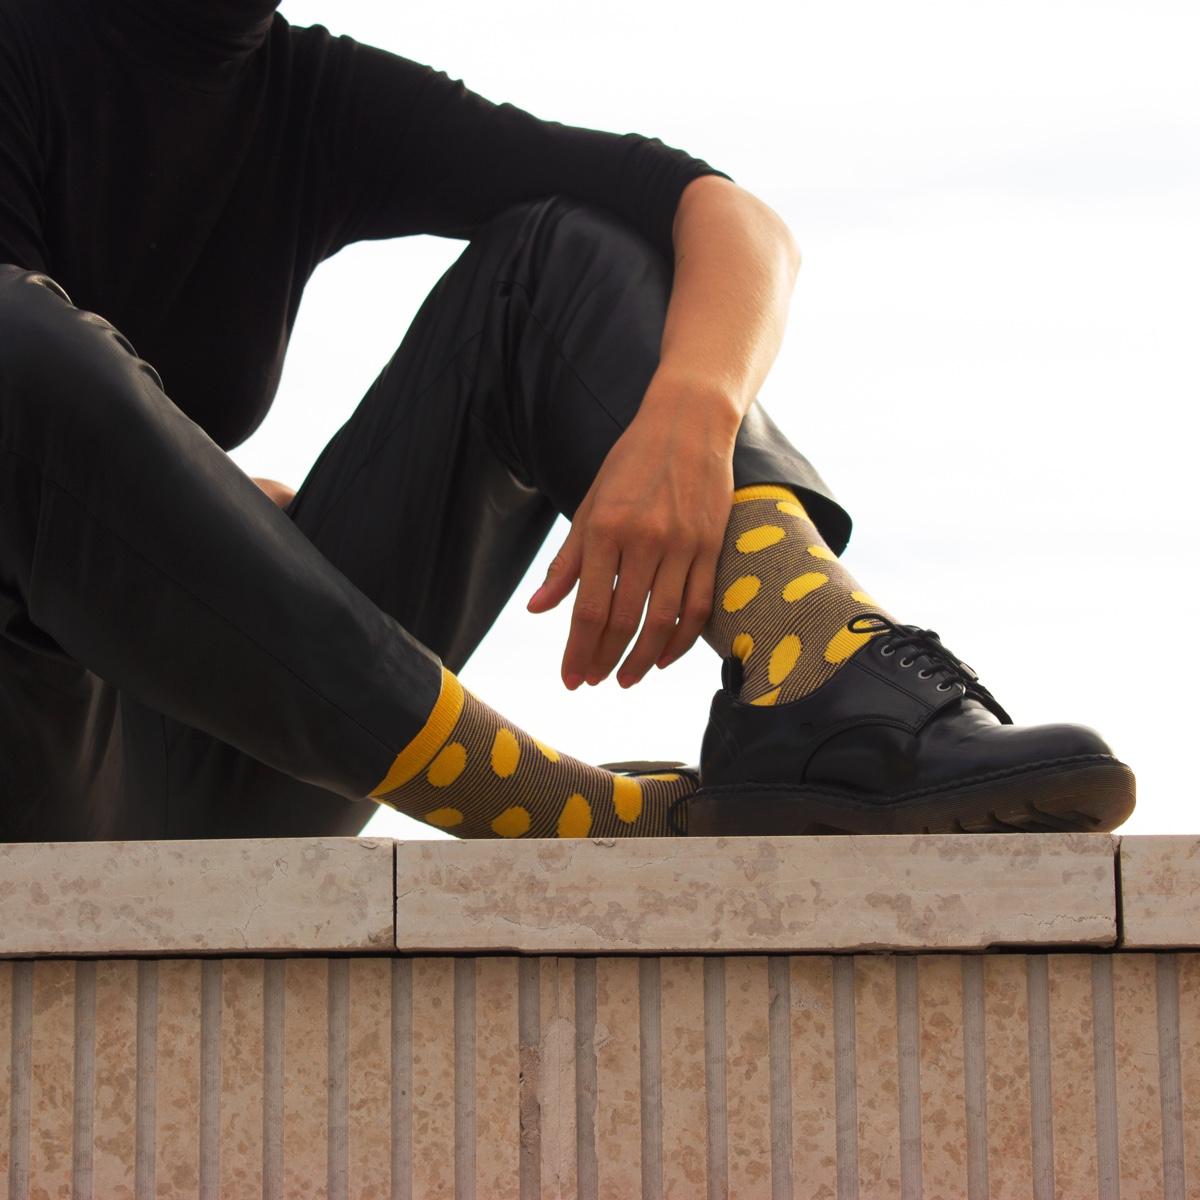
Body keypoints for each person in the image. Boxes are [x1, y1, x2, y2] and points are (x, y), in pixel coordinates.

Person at [0, 0, 1135, 843]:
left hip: (234, 747)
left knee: (562, 256)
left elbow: (721, 213)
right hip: (32, 760)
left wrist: (690, 419)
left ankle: (829, 689)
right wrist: (205, 496)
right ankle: (552, 808)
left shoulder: (303, 93)